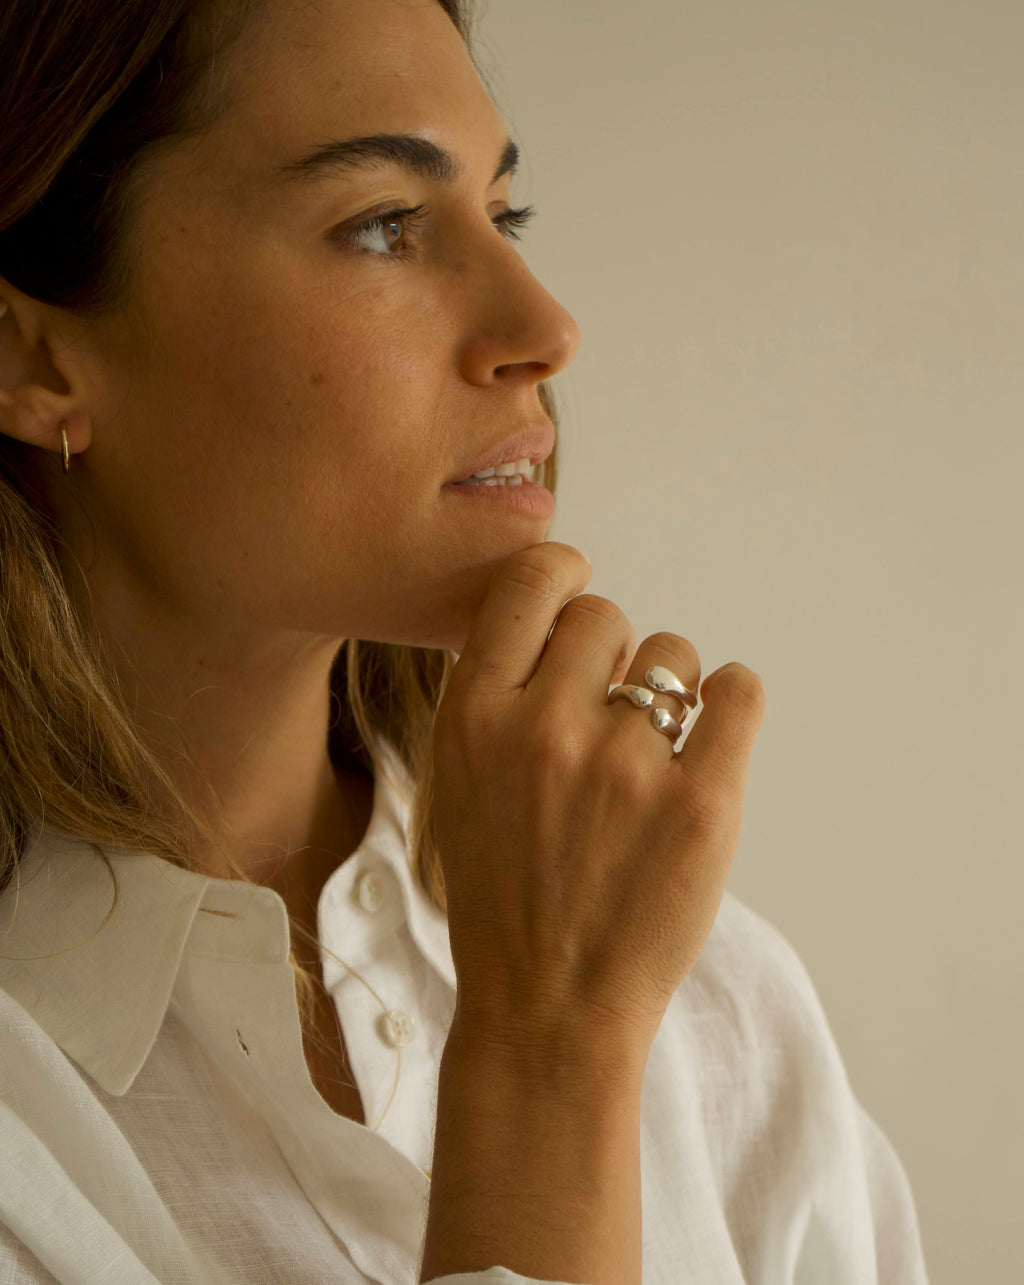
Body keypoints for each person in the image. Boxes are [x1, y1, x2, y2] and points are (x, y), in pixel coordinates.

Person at [0, 0, 931, 1282]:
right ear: (31, 354)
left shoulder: (714, 1004)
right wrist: (547, 1056)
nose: (545, 330)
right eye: (383, 224)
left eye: (507, 216)